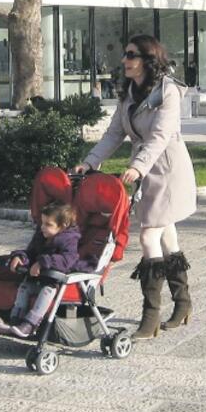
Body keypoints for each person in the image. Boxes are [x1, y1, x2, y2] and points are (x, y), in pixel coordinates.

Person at [75, 35, 197, 340]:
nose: (125, 60)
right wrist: (91, 162)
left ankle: (150, 317)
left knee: (148, 235)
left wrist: (137, 166)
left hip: (167, 169)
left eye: (132, 55)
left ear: (147, 59)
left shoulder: (168, 92)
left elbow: (160, 136)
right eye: (126, 55)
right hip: (144, 168)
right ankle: (183, 303)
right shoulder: (128, 91)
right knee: (165, 233)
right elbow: (114, 132)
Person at [0, 202, 91, 338]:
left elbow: (67, 260)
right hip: (39, 279)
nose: (43, 227)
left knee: (47, 291)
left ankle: (30, 324)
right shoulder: (42, 236)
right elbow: (31, 252)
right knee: (24, 287)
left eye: (48, 224)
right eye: (42, 223)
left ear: (63, 226)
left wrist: (43, 262)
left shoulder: (69, 240)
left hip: (57, 284)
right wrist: (20, 257)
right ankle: (16, 321)